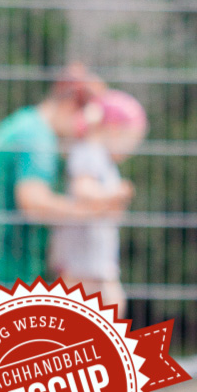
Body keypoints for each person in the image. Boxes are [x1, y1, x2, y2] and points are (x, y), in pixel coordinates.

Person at [0, 66, 133, 297]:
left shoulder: (20, 124)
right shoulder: (38, 139)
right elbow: (34, 203)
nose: (86, 132)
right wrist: (93, 212)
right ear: (72, 106)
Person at [49, 88, 146, 314]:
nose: (132, 149)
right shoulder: (89, 152)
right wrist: (113, 196)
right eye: (131, 140)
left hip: (96, 259)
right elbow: (83, 189)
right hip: (80, 261)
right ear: (114, 130)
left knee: (111, 307)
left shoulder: (103, 159)